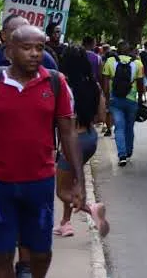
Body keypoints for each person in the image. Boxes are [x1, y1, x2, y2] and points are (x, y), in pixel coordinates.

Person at [0, 25, 85, 278]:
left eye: (39, 48)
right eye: (26, 48)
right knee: (1, 256)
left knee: (41, 254)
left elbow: (68, 133)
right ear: (9, 51)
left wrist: (78, 179)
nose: (35, 54)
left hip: (39, 183)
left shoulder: (56, 82)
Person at [53, 46, 109, 239]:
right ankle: (65, 223)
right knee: (73, 181)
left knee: (62, 190)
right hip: (90, 138)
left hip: (73, 141)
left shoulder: (63, 86)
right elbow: (102, 116)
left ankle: (91, 209)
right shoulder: (94, 85)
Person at [0, 15, 59, 81]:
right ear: (4, 35)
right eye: (17, 31)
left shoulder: (45, 60)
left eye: (26, 31)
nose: (23, 35)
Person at [102, 41, 144, 167]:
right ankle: (129, 151)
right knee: (129, 127)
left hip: (115, 100)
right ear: (129, 50)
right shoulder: (137, 63)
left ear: (118, 51)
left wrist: (107, 100)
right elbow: (141, 84)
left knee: (119, 127)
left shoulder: (110, 61)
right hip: (131, 100)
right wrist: (140, 98)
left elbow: (105, 84)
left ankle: (122, 155)